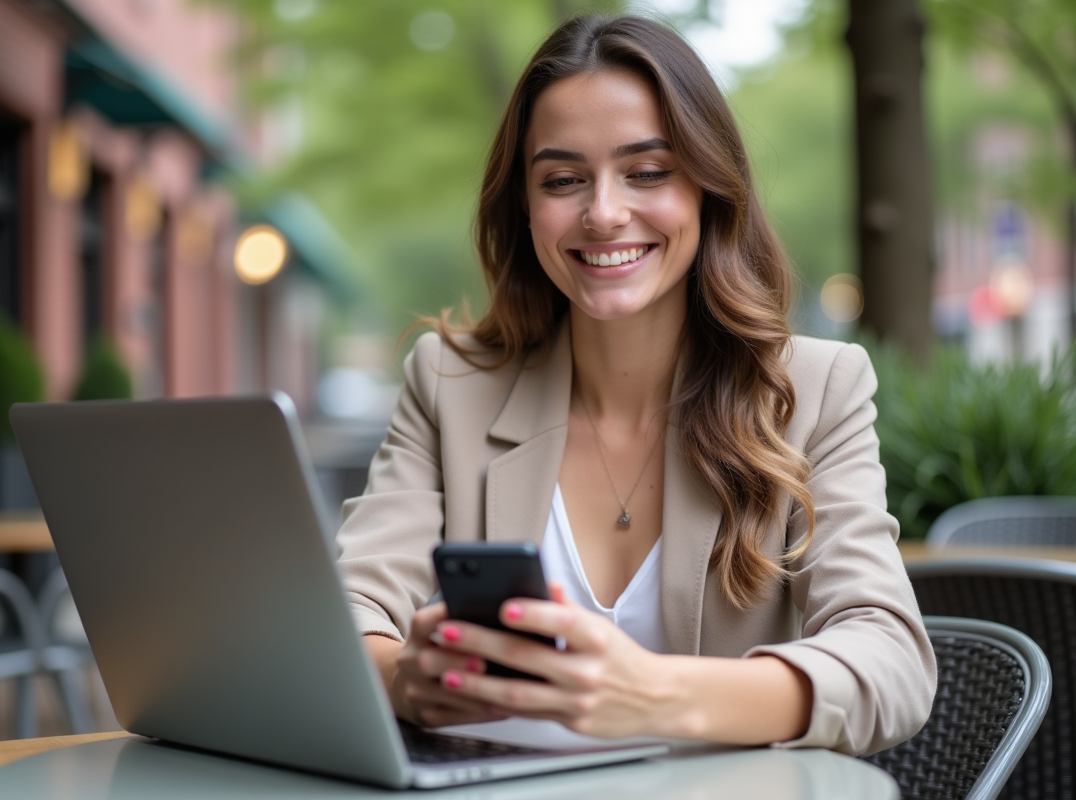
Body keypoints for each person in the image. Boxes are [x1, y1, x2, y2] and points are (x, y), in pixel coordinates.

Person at [335, 14, 935, 755]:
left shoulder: (817, 390)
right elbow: (342, 613)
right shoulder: (449, 383)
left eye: (648, 172)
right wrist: (402, 676)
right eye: (563, 180)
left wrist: (652, 695)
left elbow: (892, 661)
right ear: (524, 207)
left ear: (711, 188)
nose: (605, 213)